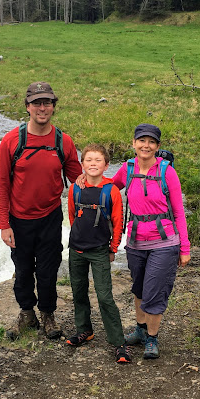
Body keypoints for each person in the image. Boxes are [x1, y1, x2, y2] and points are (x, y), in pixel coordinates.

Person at [0, 82, 82, 340]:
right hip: (19, 220)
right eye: (36, 103)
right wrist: (4, 225)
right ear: (27, 107)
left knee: (48, 270)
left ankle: (47, 314)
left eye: (47, 103)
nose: (42, 108)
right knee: (23, 270)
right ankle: (26, 314)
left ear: (53, 107)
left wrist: (110, 190)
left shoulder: (63, 142)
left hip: (50, 218)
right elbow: (2, 184)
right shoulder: (12, 141)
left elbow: (79, 180)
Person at [111, 123, 190, 359]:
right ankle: (140, 330)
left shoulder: (167, 172)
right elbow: (110, 189)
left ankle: (152, 338)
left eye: (151, 142)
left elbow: (179, 212)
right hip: (135, 241)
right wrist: (87, 179)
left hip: (164, 242)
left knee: (155, 290)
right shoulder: (127, 168)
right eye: (142, 141)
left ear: (157, 146)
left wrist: (184, 248)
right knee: (139, 288)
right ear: (134, 143)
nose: (146, 145)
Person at [66, 144, 131, 364]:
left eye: (98, 160)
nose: (93, 164)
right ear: (82, 164)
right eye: (89, 160)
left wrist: (113, 248)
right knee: (78, 292)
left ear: (106, 165)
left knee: (104, 296)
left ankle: (119, 343)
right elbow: (72, 216)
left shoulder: (111, 191)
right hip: (76, 250)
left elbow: (118, 222)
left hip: (100, 251)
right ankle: (84, 330)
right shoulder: (75, 188)